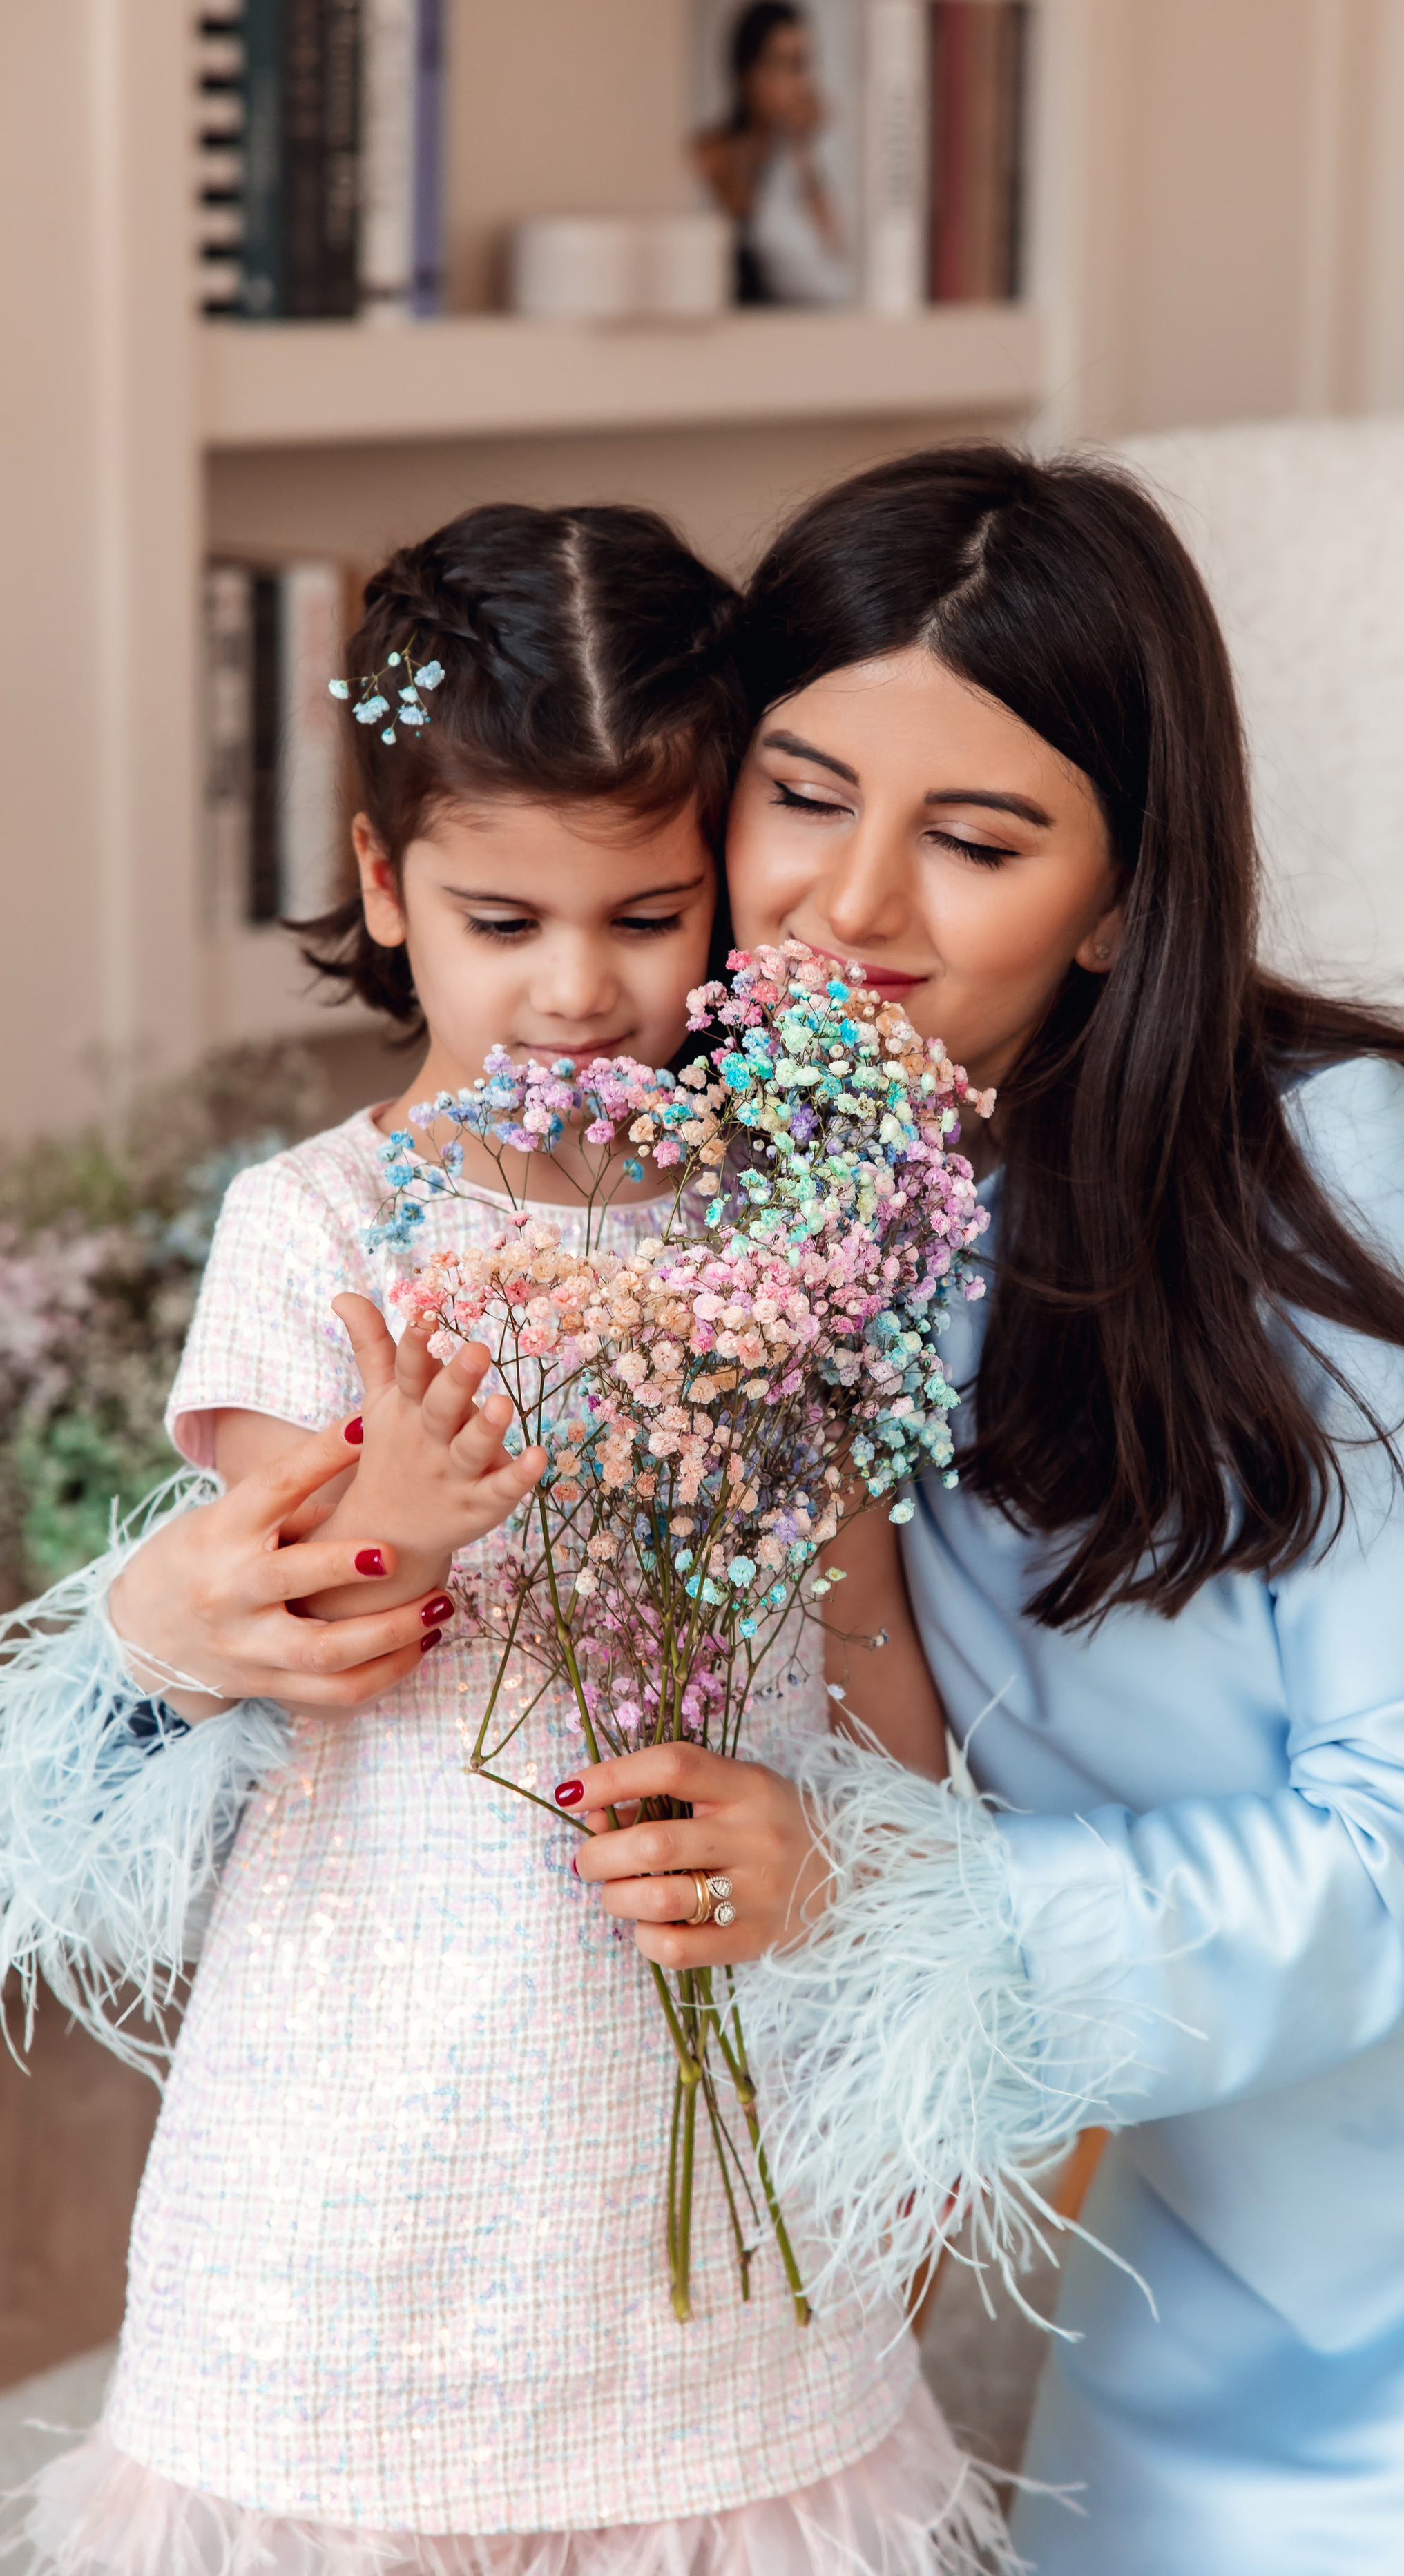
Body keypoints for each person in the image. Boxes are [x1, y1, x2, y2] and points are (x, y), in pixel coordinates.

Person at [558, 446, 1404, 2575]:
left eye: (979, 839)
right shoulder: (765, 1200)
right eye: (804, 794)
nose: (852, 904)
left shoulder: (1345, 1177)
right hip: (1217, 2215)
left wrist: (883, 1900)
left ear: (1120, 896)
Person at [4, 501, 1003, 2576]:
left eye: (646, 915)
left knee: (713, 2460)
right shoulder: (315, 1223)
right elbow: (281, 1624)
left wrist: (909, 1967)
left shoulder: (788, 1216)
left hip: (695, 2018)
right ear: (387, 885)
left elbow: (865, 1625)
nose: (575, 988)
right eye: (500, 918)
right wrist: (395, 1515)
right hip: (382, 2066)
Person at [692, 0, 852, 308]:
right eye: (788, 66)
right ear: (749, 73)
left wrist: (804, 151)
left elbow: (835, 267)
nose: (802, 82)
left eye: (805, 64)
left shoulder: (800, 157)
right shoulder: (711, 153)